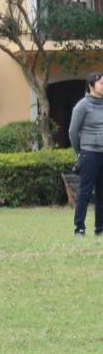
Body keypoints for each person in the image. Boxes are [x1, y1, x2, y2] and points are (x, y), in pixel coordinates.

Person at [69, 71, 103, 237]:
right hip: (89, 154)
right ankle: (79, 228)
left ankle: (100, 229)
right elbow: (73, 132)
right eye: (102, 83)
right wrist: (80, 152)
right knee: (85, 192)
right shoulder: (82, 106)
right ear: (91, 86)